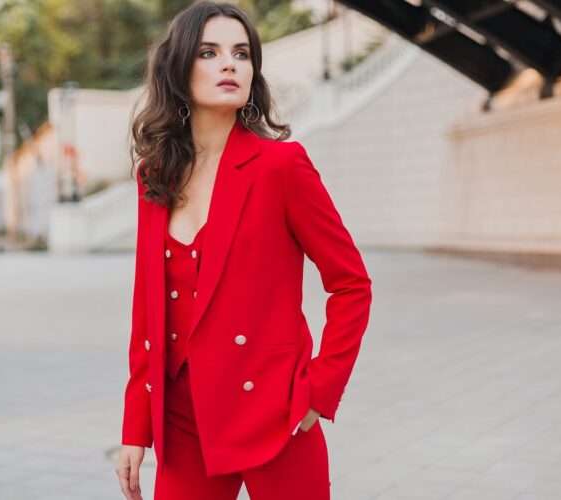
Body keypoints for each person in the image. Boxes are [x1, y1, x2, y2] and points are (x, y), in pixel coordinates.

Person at [115, 2, 372, 499]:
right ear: (178, 68)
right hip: (182, 420)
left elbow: (351, 283)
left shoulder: (281, 166)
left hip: (274, 413)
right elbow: (148, 313)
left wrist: (319, 391)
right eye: (209, 52)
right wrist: (136, 428)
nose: (230, 64)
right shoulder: (155, 174)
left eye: (241, 53)